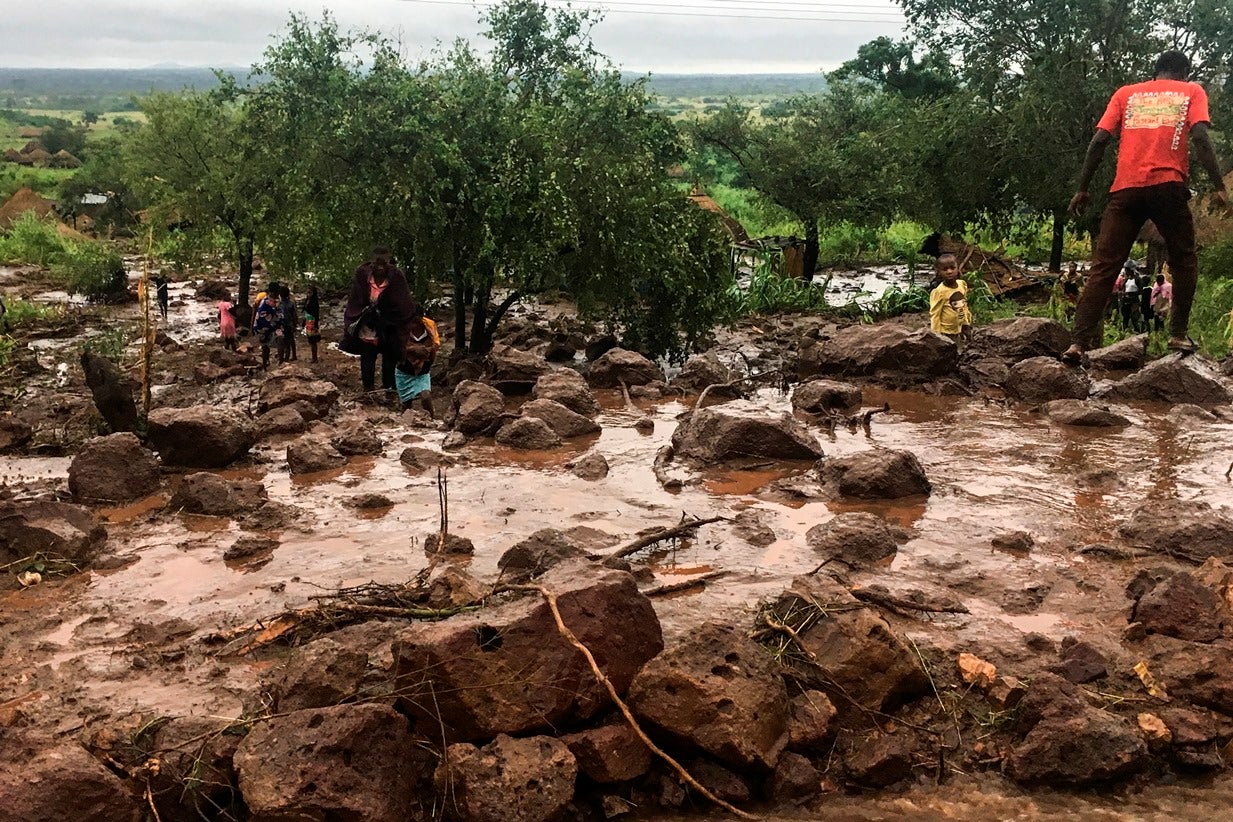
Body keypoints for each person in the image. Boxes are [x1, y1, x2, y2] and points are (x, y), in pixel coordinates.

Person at [1064, 50, 1231, 362]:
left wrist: (1082, 188)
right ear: (1183, 72)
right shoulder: (1192, 91)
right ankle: (1177, 335)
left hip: (1125, 189)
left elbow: (1099, 140)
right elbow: (1200, 138)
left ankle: (1077, 343)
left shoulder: (1125, 94)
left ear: (1156, 72)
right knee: (1183, 259)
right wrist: (1219, 186)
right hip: (1168, 186)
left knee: (1104, 266)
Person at [340, 246, 417, 397]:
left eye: (384, 263)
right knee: (367, 359)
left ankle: (389, 393)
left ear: (388, 263)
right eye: (377, 263)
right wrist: (365, 314)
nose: (380, 267)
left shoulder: (397, 277)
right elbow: (356, 299)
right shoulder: (362, 275)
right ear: (371, 263)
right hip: (368, 326)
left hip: (390, 328)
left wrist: (387, 317)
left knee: (389, 363)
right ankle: (368, 392)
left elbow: (404, 304)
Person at [395, 305, 440, 416]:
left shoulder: (429, 328)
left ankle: (431, 419)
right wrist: (413, 349)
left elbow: (435, 346)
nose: (412, 325)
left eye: (415, 321)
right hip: (404, 371)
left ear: (421, 319)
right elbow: (396, 346)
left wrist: (425, 351)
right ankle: (405, 424)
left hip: (423, 372)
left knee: (426, 396)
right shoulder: (402, 328)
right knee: (406, 404)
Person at [929, 253, 973, 344]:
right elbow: (935, 315)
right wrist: (936, 336)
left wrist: (966, 324)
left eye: (952, 268)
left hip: (960, 328)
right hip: (946, 333)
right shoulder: (939, 292)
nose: (949, 272)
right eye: (945, 269)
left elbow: (964, 306)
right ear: (939, 272)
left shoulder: (962, 285)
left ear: (957, 268)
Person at [252, 289, 283, 370]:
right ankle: (266, 363)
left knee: (266, 346)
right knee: (265, 346)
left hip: (266, 327)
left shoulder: (266, 301)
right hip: (264, 327)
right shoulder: (267, 303)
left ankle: (267, 362)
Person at [302, 285, 322, 363]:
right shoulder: (308, 300)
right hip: (308, 320)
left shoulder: (314, 302)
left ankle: (315, 358)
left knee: (313, 340)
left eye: (310, 292)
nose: (308, 294)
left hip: (313, 321)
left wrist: (316, 324)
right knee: (310, 340)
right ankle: (313, 357)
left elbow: (316, 314)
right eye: (307, 292)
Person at [279, 285, 298, 363]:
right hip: (289, 325)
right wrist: (295, 324)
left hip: (281, 325)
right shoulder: (291, 303)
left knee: (281, 342)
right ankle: (287, 358)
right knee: (289, 342)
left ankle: (281, 359)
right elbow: (294, 315)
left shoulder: (278, 304)